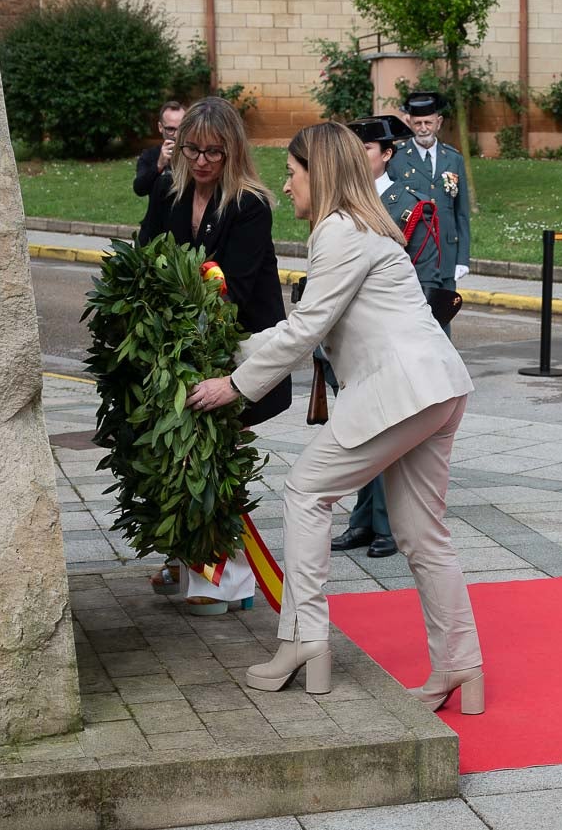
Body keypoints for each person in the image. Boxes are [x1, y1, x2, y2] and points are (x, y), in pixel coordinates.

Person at [188, 122, 483, 712]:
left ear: (316, 173)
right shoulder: (363, 226)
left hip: (400, 389)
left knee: (305, 493)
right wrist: (229, 351)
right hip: (436, 386)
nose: (286, 182)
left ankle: (305, 641)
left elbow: (306, 329)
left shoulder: (339, 231)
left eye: (293, 171)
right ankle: (461, 667)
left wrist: (233, 385)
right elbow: (306, 328)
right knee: (423, 534)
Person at [138, 97, 291, 611]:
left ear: (233, 153)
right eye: (192, 149)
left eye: (213, 152)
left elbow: (239, 289)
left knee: (213, 459)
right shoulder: (167, 188)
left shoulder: (250, 205)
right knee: (180, 457)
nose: (201, 161)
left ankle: (222, 579)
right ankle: (201, 567)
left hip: (238, 350)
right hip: (181, 349)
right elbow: (148, 253)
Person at [330, 113, 440, 559]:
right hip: (352, 339)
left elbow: (427, 279)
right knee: (358, 428)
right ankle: (362, 519)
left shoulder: (410, 205)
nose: (358, 158)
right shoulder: (341, 205)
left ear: (388, 155)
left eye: (367, 150)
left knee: (387, 431)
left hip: (392, 340)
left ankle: (386, 524)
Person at [387, 92, 471, 307]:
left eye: (428, 122)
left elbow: (461, 213)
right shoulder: (397, 159)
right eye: (417, 123)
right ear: (409, 123)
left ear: (438, 122)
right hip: (414, 252)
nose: (423, 128)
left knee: (444, 313)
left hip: (446, 253)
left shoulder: (453, 158)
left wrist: (462, 258)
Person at [133, 101, 185, 198]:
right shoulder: (149, 155)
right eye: (170, 129)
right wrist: (159, 165)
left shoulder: (195, 154)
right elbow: (139, 190)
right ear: (160, 127)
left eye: (182, 128)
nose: (177, 135)